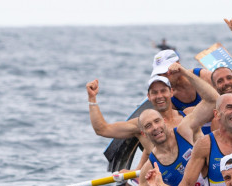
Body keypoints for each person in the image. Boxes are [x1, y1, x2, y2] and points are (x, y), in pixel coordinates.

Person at [86, 63, 217, 168]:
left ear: (171, 92)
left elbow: (214, 101)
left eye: (163, 91)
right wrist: (92, 99)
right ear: (148, 97)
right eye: (154, 92)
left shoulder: (188, 115)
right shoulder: (140, 125)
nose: (159, 96)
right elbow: (102, 129)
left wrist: (185, 73)